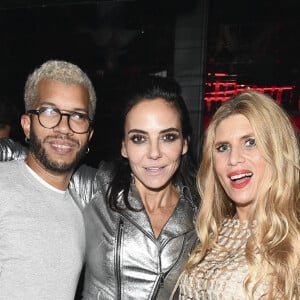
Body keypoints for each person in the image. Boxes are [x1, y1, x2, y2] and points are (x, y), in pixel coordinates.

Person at [0, 75, 199, 299]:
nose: (154, 153)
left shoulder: (202, 213)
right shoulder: (98, 187)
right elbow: (31, 155)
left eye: (168, 137)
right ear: (124, 147)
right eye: (139, 139)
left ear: (184, 144)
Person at [176, 91, 300, 299]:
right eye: (223, 147)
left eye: (250, 142)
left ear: (276, 150)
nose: (234, 159)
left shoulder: (293, 238)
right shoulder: (214, 231)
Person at [0, 59, 97, 300]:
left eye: (77, 116)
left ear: (89, 134)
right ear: (26, 125)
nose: (64, 128)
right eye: (50, 112)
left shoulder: (85, 212)